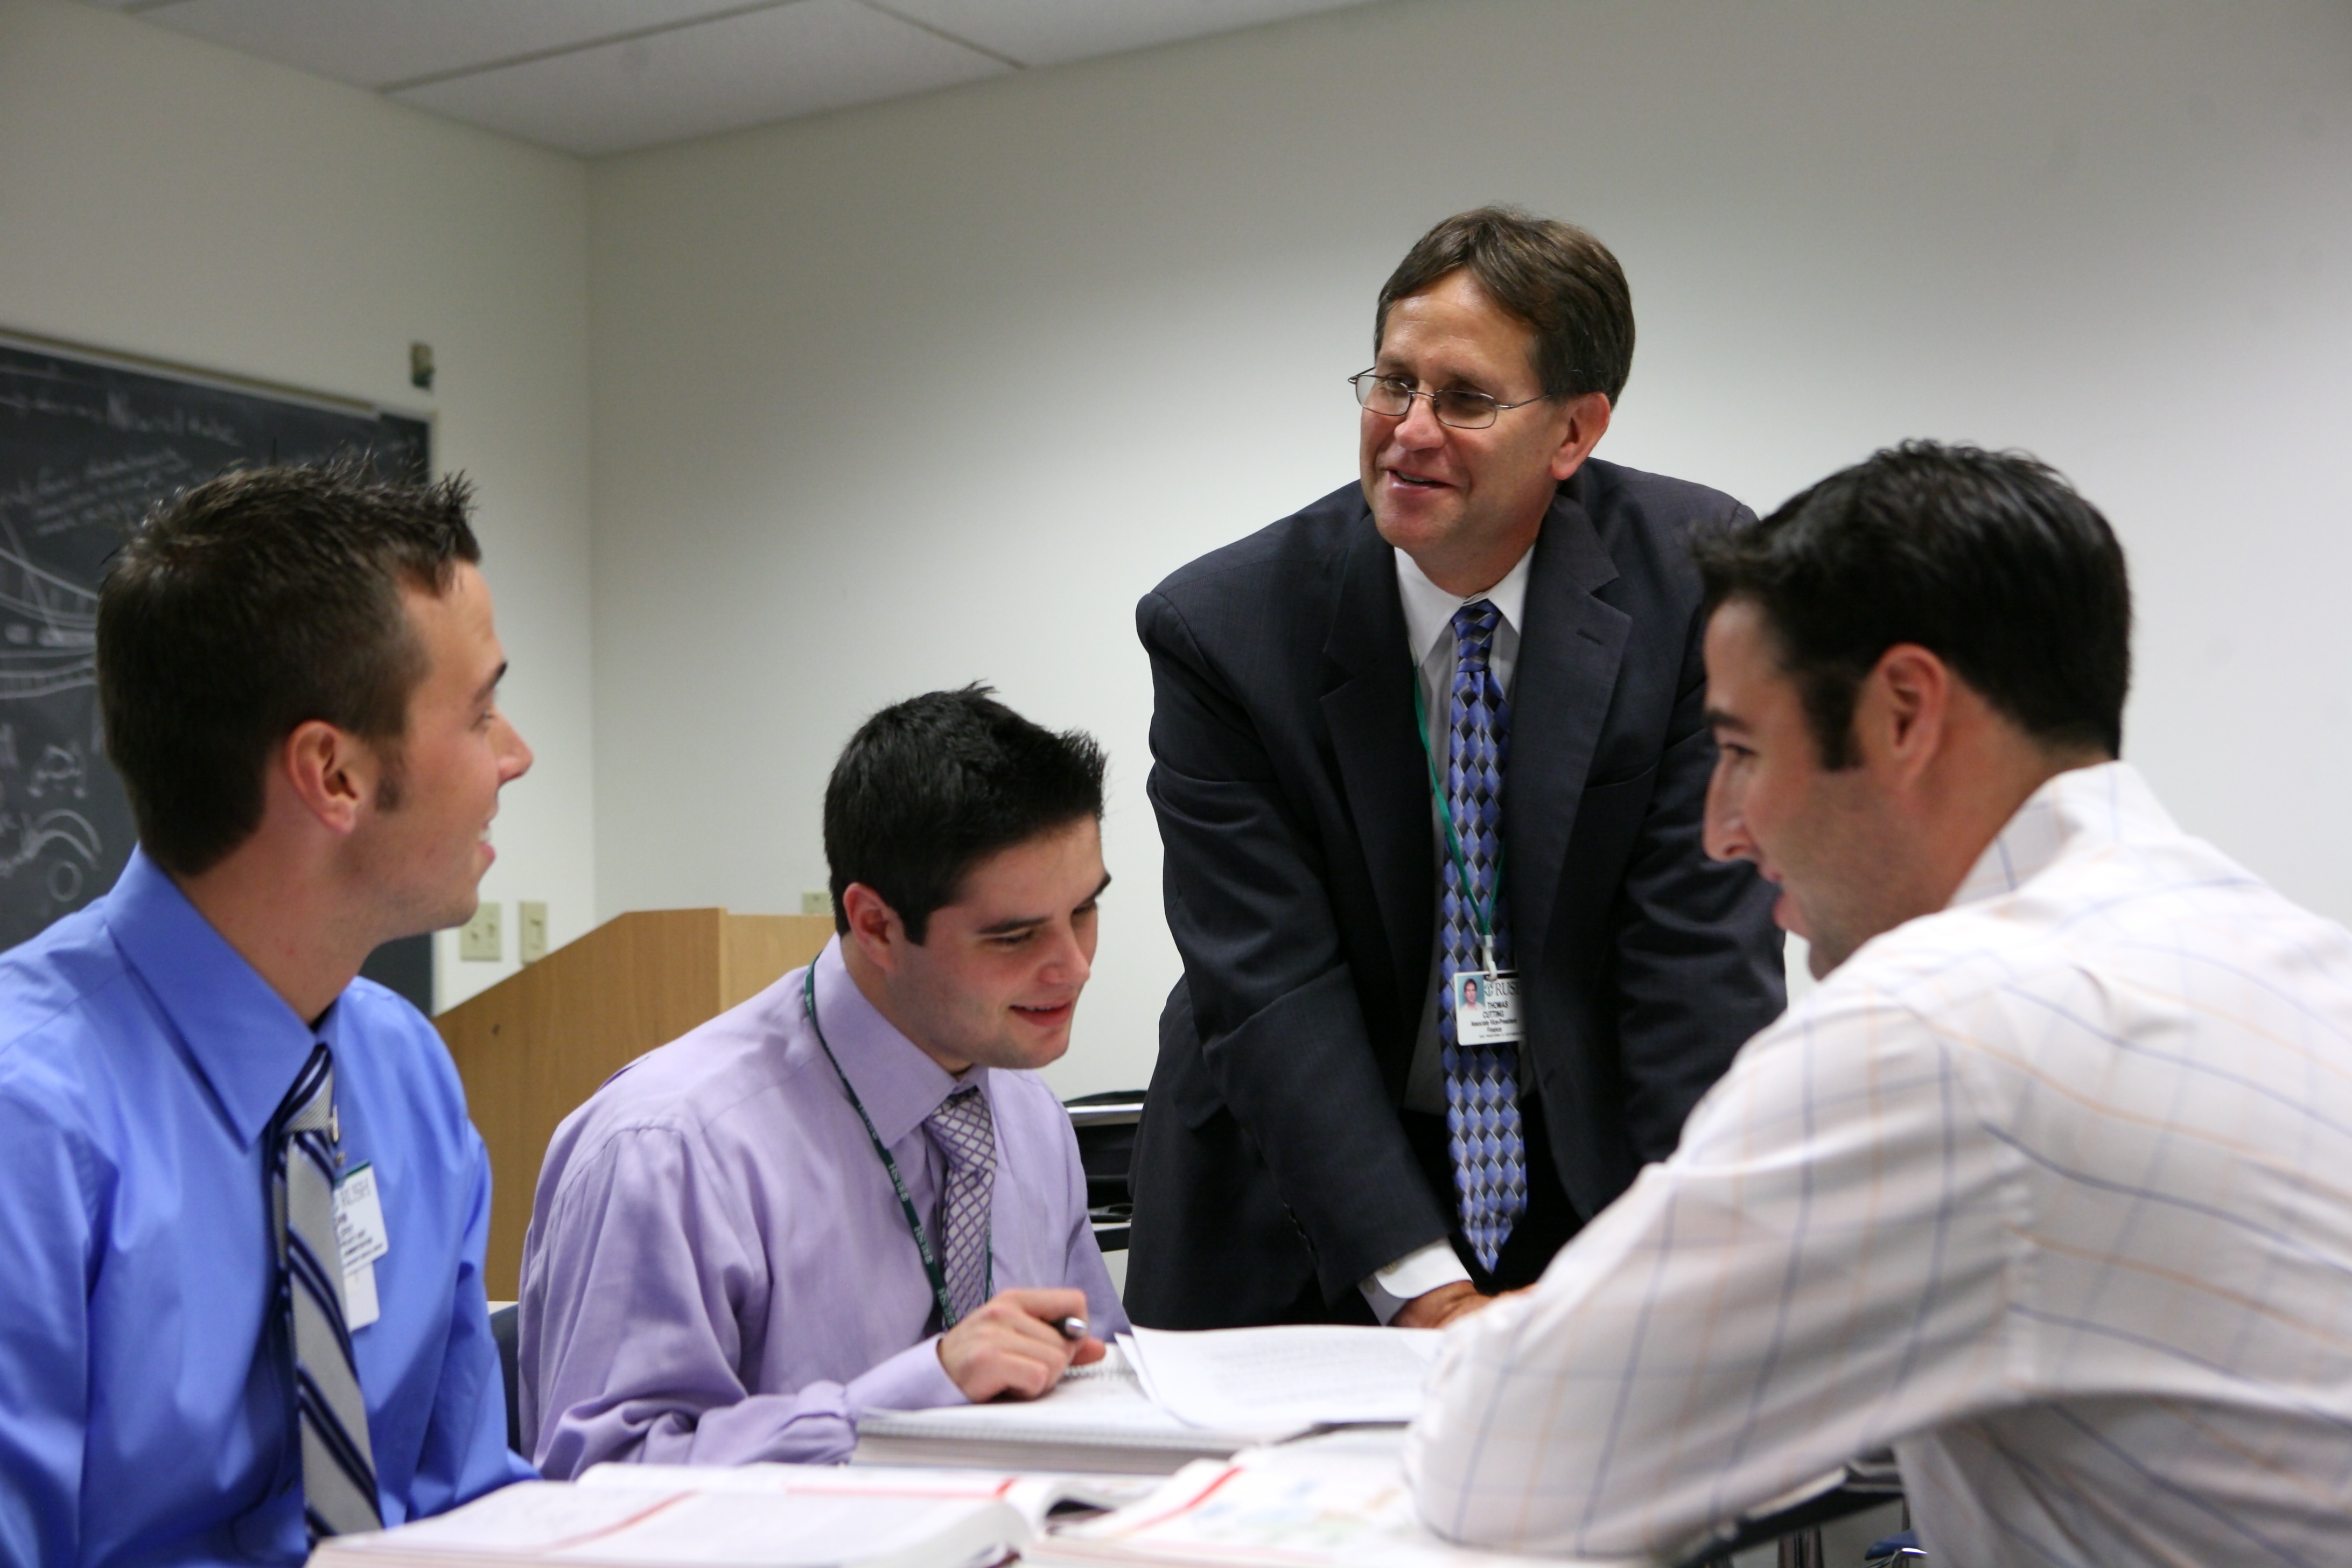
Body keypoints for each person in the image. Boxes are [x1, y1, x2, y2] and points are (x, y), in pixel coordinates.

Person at [1409, 442, 2352, 1567]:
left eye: (1743, 750)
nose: (1721, 829)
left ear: (1905, 712)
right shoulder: (2286, 956)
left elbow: (1512, 1460)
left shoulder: (1944, 1026)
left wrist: (1506, 1334)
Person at [1127, 206, 1786, 1330]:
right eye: (1390, 384)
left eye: (1465, 399)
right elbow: (1270, 986)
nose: (1409, 431)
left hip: (1584, 1167)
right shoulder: (1224, 629)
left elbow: (1698, 958)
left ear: (1574, 433)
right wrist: (1424, 1291)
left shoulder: (1692, 580)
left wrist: (1692, 1264)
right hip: (1300, 1201)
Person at [0, 464, 538, 1566]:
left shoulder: (404, 1071)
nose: (514, 756)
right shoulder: (28, 1118)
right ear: (331, 775)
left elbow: (472, 1506)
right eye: (481, 711)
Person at [520, 686, 1129, 1475]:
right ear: (875, 924)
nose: (1074, 966)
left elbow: (1091, 1371)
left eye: (1085, 910)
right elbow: (599, 1476)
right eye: (1014, 935)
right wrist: (911, 1398)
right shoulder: (669, 1147)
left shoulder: (1029, 1117)